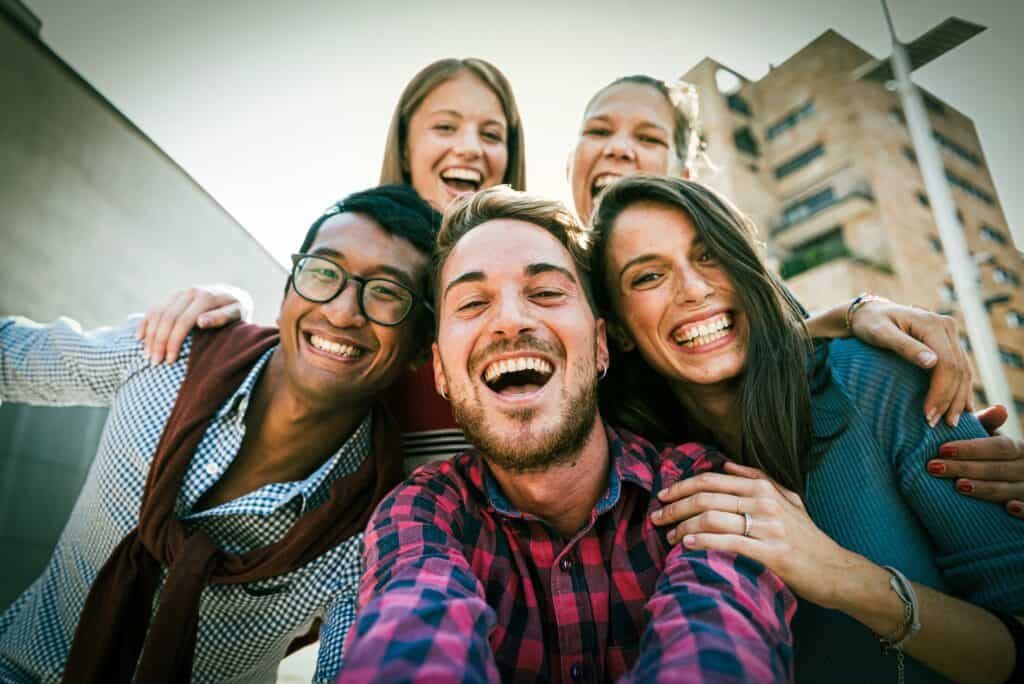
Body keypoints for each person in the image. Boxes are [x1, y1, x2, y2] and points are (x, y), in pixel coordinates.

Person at [134, 68, 1024, 512]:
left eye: (649, 138)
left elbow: (775, 339)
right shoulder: (396, 295)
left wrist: (860, 316)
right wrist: (228, 302)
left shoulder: (698, 311)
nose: (622, 150)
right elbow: (313, 334)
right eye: (600, 130)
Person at [338, 185, 796, 682]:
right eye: (471, 303)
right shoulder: (421, 513)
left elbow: (720, 639)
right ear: (440, 372)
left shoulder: (704, 486)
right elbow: (411, 636)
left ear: (600, 345)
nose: (510, 321)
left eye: (546, 293)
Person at [587, 174, 1024, 683]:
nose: (695, 289)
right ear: (617, 329)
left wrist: (837, 574)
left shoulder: (878, 381)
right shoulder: (634, 473)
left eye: (709, 255)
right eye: (648, 277)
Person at [0, 185, 438, 684]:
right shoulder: (168, 353)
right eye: (323, 272)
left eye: (386, 292)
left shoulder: (371, 525)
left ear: (420, 347)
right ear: (287, 292)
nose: (340, 312)